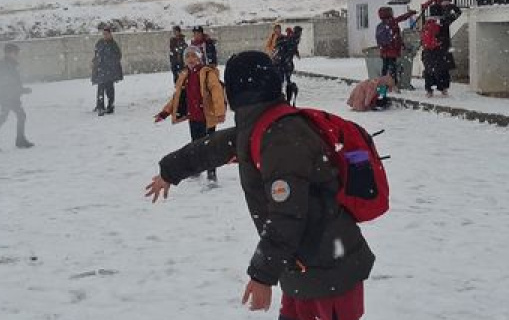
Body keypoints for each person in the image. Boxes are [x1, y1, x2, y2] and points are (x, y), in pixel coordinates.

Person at [144, 52, 374, 320]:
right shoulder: (261, 125)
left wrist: (262, 276)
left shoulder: (281, 138)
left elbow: (287, 215)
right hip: (304, 265)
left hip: (328, 268)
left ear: (239, 89)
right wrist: (170, 171)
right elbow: (211, 149)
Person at [155, 46, 228, 182]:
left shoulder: (207, 73)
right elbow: (177, 97)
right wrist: (165, 112)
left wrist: (220, 112)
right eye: (187, 57)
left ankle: (211, 172)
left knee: (209, 146)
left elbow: (216, 92)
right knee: (195, 146)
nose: (190, 59)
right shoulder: (185, 76)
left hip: (207, 117)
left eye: (193, 56)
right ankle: (197, 169)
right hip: (193, 117)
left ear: (199, 58)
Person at [0, 43, 34, 152]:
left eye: (17, 53)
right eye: (15, 53)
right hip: (6, 97)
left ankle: (19, 140)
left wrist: (21, 90)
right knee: (4, 117)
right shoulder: (3, 65)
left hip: (12, 96)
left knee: (18, 116)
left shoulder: (11, 64)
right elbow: (6, 83)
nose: (17, 55)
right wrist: (21, 90)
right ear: (8, 53)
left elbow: (14, 82)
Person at [421, 1, 462, 97]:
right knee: (443, 70)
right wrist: (450, 6)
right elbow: (458, 13)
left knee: (429, 70)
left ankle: (429, 90)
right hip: (441, 49)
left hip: (428, 51)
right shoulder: (444, 21)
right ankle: (443, 89)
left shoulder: (427, 23)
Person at [376, 5, 416, 100]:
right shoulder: (392, 22)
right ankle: (394, 86)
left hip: (384, 51)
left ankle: (382, 89)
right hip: (392, 51)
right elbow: (401, 20)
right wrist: (410, 13)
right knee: (393, 69)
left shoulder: (380, 25)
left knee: (384, 69)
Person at [92, 26, 123, 115]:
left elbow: (118, 56)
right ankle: (100, 106)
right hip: (101, 70)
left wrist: (110, 61)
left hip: (110, 71)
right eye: (103, 34)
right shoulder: (100, 43)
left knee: (110, 89)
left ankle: (110, 106)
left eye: (106, 34)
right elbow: (96, 54)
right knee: (100, 89)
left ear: (110, 34)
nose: (104, 36)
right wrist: (95, 62)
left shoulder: (113, 44)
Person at [273, 26, 303, 103]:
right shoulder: (292, 39)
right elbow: (289, 45)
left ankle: (283, 96)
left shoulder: (292, 39)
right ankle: (282, 97)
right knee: (283, 80)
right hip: (284, 63)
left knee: (284, 80)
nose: (300, 35)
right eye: (299, 33)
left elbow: (292, 47)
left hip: (284, 63)